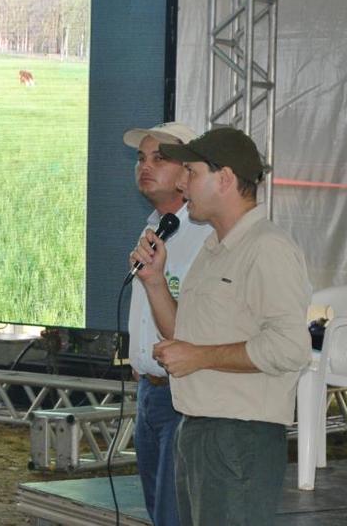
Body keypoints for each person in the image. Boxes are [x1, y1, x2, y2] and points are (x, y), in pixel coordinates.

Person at [132, 126, 311, 526]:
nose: (182, 182)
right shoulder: (213, 249)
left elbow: (289, 348)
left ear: (225, 179)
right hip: (199, 427)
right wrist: (155, 282)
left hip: (240, 435)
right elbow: (184, 336)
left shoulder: (268, 248)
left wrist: (199, 357)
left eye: (191, 172)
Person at [122, 121, 210, 526]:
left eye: (160, 158)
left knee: (177, 515)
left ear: (187, 171)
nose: (145, 165)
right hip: (148, 392)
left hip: (183, 395)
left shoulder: (204, 235)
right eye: (141, 157)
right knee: (160, 513)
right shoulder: (154, 228)